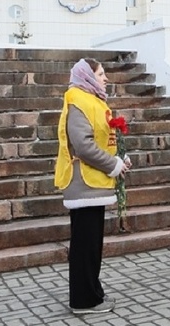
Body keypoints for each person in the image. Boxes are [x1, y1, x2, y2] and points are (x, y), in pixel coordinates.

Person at [54, 58, 131, 315]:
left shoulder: (94, 101)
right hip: (84, 184)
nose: (105, 78)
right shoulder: (78, 100)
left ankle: (92, 293)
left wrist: (119, 157)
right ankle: (84, 300)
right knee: (85, 246)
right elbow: (83, 145)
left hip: (94, 183)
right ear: (87, 76)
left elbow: (101, 139)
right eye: (100, 74)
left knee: (91, 245)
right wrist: (113, 164)